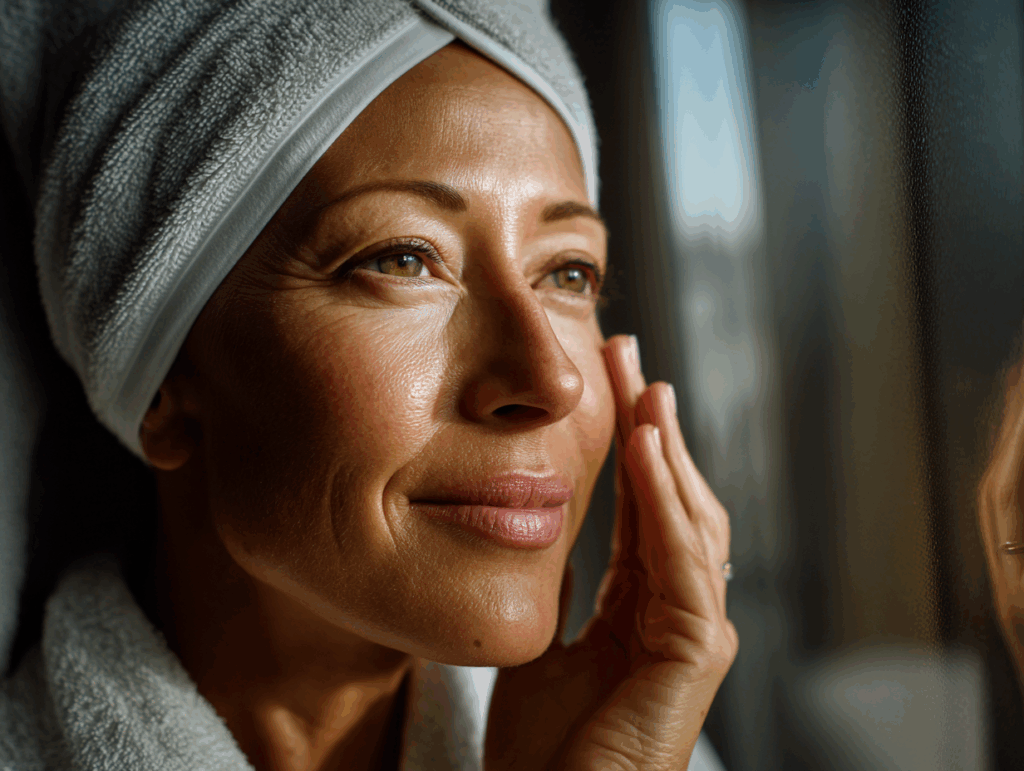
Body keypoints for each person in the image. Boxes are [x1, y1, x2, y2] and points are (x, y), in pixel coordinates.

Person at [0, 1, 737, 769]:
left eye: (568, 272)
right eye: (402, 259)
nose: (550, 378)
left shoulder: (639, 746)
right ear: (165, 382)